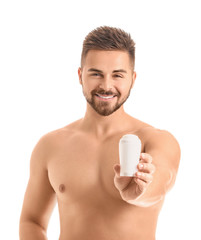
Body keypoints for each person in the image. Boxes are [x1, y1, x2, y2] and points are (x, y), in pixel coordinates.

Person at [19, 26, 181, 240]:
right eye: (96, 74)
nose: (106, 86)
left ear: (132, 78)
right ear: (80, 75)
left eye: (117, 75)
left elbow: (159, 186)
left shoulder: (157, 140)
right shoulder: (50, 145)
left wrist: (139, 191)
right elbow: (31, 221)